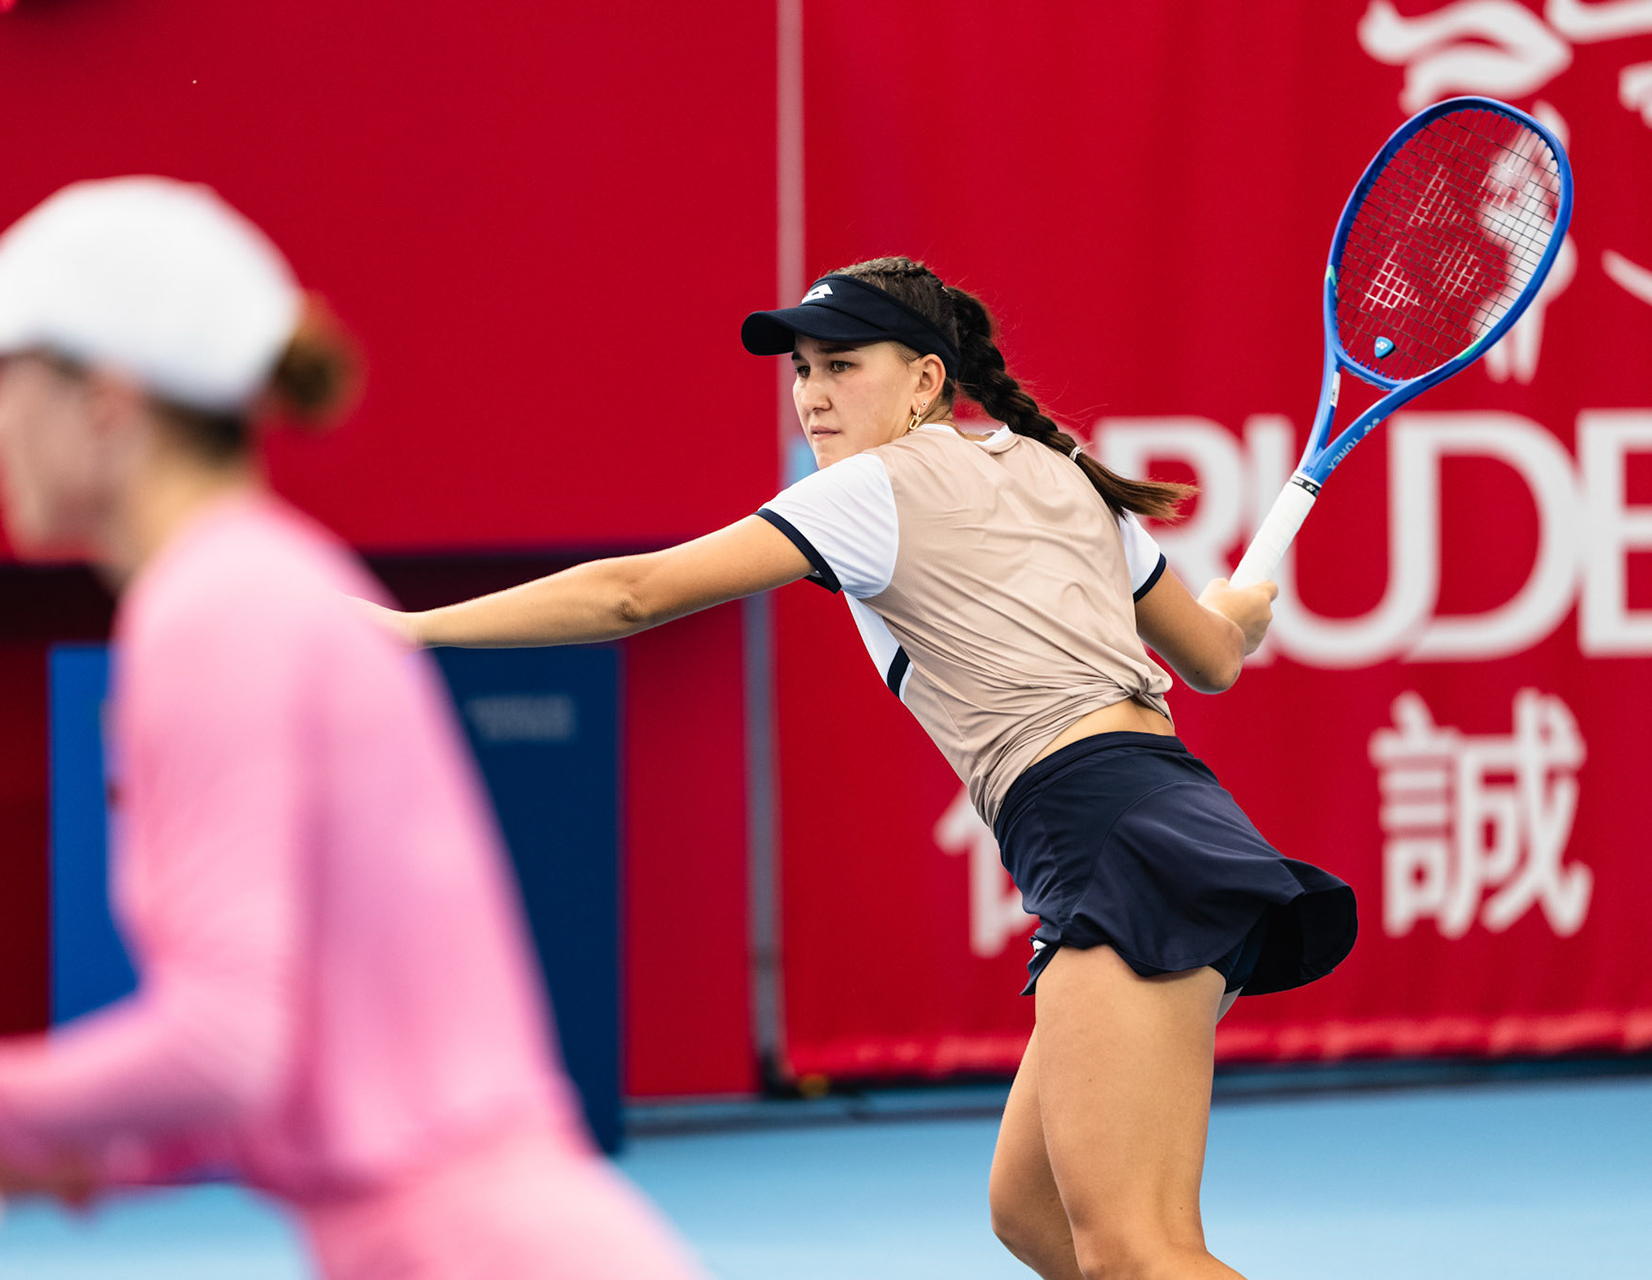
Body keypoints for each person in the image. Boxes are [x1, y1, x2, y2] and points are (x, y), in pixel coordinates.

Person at [0, 176, 704, 1280]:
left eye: (1, 376)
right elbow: (272, 1081)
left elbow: (219, 1047)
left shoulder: (212, 609)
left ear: (105, 399)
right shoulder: (259, 583)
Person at [362, 257, 1359, 1279]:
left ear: (926, 379)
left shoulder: (867, 489)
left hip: (1112, 837)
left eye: (843, 364)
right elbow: (1214, 658)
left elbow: (634, 594)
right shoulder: (1062, 471)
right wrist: (1232, 612)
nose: (814, 394)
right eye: (802, 369)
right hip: (1152, 818)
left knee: (1140, 1251)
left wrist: (411, 629)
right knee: (1032, 1213)